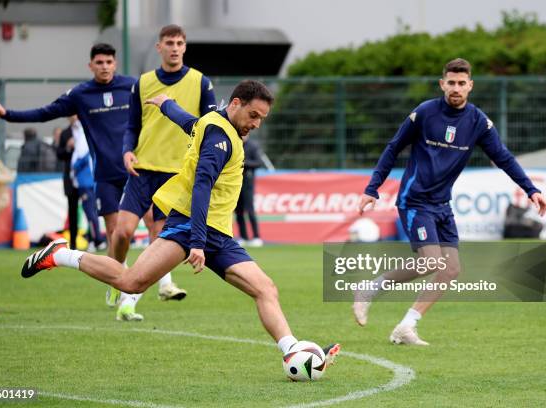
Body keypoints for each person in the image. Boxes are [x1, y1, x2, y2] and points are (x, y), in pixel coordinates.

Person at [20, 79, 340, 368]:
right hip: (190, 227)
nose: (256, 124)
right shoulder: (221, 137)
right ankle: (60, 254)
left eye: (261, 119)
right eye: (254, 115)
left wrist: (166, 105)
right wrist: (197, 242)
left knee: (265, 288)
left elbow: (189, 123)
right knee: (132, 282)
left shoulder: (212, 122)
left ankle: (293, 351)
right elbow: (202, 184)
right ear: (236, 104)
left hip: (216, 233)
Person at [352, 58, 546, 345]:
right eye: (451, 82)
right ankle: (369, 289)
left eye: (461, 83)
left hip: (442, 205)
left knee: (451, 269)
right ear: (442, 83)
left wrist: (531, 189)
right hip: (415, 201)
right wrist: (372, 188)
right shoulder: (424, 113)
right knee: (430, 262)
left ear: (470, 86)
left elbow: (503, 157)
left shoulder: (478, 122)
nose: (456, 88)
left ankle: (406, 327)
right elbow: (393, 148)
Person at [0, 43, 133, 263]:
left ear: (115, 64)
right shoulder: (81, 94)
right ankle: (119, 283)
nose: (104, 67)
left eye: (109, 62)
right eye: (99, 62)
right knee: (114, 231)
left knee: (149, 222)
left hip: (135, 169)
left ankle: (164, 283)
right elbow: (46, 112)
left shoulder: (132, 86)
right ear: (91, 65)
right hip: (105, 174)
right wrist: (8, 114)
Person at [109, 24, 216, 321]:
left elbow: (208, 126)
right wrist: (127, 150)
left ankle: (131, 297)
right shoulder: (142, 83)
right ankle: (115, 279)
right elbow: (132, 125)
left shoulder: (200, 82)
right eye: (169, 42)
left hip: (176, 173)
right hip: (143, 169)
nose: (175, 47)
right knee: (122, 232)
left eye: (180, 43)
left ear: (185, 47)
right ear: (159, 47)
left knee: (159, 240)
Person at [70, 116, 105, 252]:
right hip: (87, 181)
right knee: (91, 213)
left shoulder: (83, 136)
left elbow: (83, 157)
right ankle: (93, 240)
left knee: (90, 213)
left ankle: (97, 241)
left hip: (86, 182)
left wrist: (74, 166)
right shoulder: (82, 135)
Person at [235, 136, 264, 247]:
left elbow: (258, 162)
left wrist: (243, 163)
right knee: (239, 212)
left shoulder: (253, 146)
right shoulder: (234, 143)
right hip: (235, 184)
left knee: (250, 210)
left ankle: (256, 237)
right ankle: (243, 237)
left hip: (247, 183)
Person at [56, 117, 79, 250]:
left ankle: (96, 240)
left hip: (86, 177)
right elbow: (59, 154)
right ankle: (74, 243)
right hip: (70, 178)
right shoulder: (65, 133)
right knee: (72, 211)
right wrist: (68, 147)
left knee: (91, 210)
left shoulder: (86, 129)